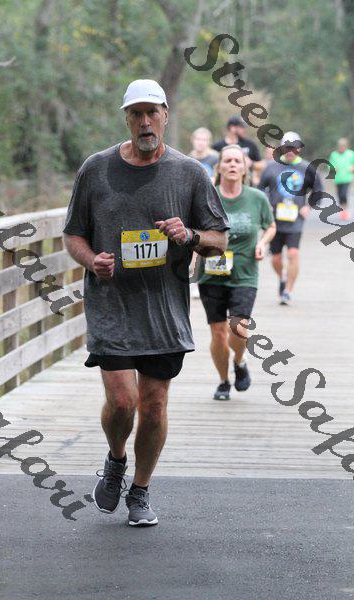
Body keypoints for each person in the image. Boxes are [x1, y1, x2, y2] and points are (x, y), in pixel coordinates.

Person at [63, 79, 229, 527]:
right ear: (126, 119)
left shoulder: (189, 173)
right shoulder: (96, 169)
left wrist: (189, 236)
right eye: (136, 114)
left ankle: (140, 489)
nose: (144, 122)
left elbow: (218, 239)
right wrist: (91, 260)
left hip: (164, 312)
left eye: (152, 112)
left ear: (165, 115)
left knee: (153, 406)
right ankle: (116, 458)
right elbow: (73, 234)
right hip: (111, 305)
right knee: (123, 402)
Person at [198, 145, 275, 401]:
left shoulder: (256, 198)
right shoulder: (207, 198)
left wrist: (262, 243)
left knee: (238, 329)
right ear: (219, 167)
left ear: (244, 169)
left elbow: (270, 226)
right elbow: (195, 230)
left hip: (245, 274)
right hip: (211, 273)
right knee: (218, 333)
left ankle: (240, 361)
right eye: (227, 160)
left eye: (237, 161)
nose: (232, 164)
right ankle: (223, 381)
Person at [258, 131, 323, 306]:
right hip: (274, 221)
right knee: (276, 258)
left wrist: (308, 206)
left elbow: (318, 190)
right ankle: (282, 277)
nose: (290, 151)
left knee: (293, 253)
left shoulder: (307, 168)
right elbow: (260, 189)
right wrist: (266, 204)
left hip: (295, 219)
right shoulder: (271, 167)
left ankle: (287, 291)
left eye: (294, 148)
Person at [189, 127, 219, 299]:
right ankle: (194, 279)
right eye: (198, 139)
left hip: (212, 206)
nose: (200, 143)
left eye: (204, 140)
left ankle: (207, 279)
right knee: (195, 242)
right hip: (193, 205)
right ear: (193, 140)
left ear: (208, 142)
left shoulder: (215, 159)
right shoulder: (188, 159)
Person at [212, 116, 263, 185]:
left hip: (246, 185)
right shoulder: (217, 146)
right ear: (232, 128)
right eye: (242, 127)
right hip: (223, 185)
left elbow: (262, 165)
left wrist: (251, 164)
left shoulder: (250, 144)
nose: (244, 130)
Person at [328, 138, 354, 219]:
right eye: (340, 146)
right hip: (338, 179)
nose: (342, 147)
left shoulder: (351, 154)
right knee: (339, 195)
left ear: (346, 146)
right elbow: (329, 165)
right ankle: (342, 209)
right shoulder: (334, 154)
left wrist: (352, 168)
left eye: (343, 146)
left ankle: (345, 210)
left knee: (344, 194)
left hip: (347, 178)